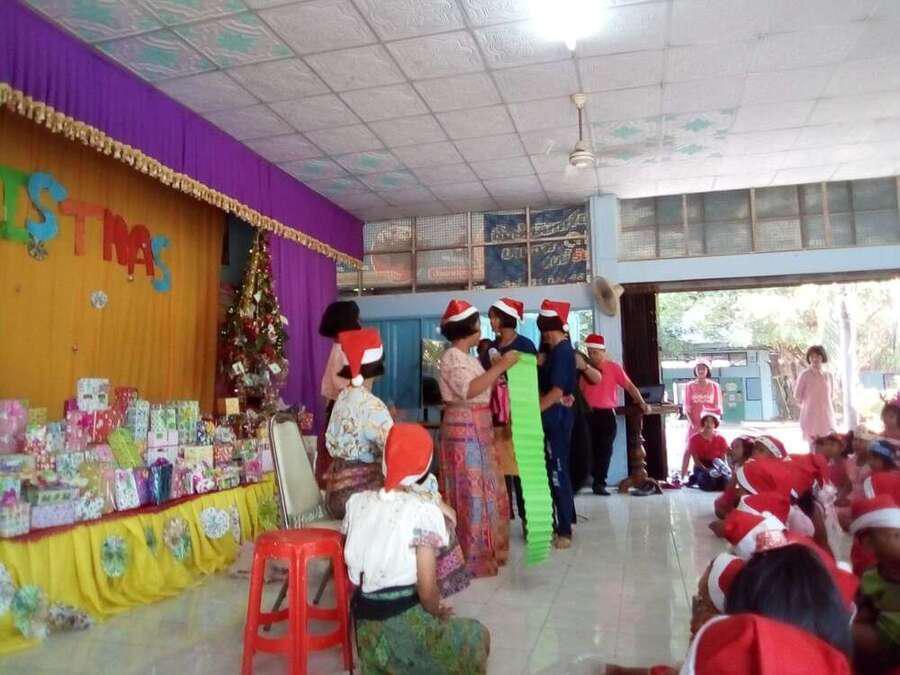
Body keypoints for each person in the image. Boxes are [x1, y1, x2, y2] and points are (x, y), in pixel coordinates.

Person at [343, 423, 490, 674]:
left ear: (384, 461)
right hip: (402, 628)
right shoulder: (423, 513)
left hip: (367, 633)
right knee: (477, 635)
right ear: (425, 468)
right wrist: (437, 612)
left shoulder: (357, 503)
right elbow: (427, 590)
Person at [438, 299, 518, 577]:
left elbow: (482, 387)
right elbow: (468, 390)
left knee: (485, 490)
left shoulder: (469, 358)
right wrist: (499, 367)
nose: (481, 328)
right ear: (467, 328)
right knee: (470, 492)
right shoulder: (451, 357)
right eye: (477, 323)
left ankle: (487, 550)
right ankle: (471, 556)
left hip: (479, 429)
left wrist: (497, 371)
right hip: (464, 431)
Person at [323, 328, 392, 519]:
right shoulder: (372, 406)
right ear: (377, 366)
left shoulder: (342, 398)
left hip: (334, 495)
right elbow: (394, 453)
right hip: (361, 496)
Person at [485, 297, 537, 535]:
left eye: (494, 317)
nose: (491, 322)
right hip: (496, 415)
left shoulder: (525, 345)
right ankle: (503, 517)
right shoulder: (490, 348)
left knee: (521, 469)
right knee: (500, 468)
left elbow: (531, 381)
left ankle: (528, 519)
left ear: (505, 319)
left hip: (520, 414)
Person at [578, 333, 651, 496]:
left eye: (595, 352)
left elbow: (629, 386)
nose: (592, 355)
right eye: (589, 352)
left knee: (605, 450)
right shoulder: (584, 370)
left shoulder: (613, 367)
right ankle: (583, 480)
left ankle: (599, 483)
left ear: (603, 352)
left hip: (606, 415)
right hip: (587, 414)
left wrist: (641, 402)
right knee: (586, 449)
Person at [537, 300, 578, 548]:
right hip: (555, 418)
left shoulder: (562, 352)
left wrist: (533, 412)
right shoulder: (555, 352)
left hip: (557, 419)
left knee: (558, 472)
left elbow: (556, 392)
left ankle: (564, 530)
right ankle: (564, 521)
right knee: (556, 471)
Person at [849, 494, 900, 673]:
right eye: (897, 536)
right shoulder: (871, 575)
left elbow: (883, 639)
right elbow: (865, 605)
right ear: (869, 543)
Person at [316, 300, 362, 487]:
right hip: (344, 411)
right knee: (345, 466)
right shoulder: (343, 350)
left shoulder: (339, 348)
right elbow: (345, 387)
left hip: (337, 409)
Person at [794, 345, 837, 449]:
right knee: (813, 446)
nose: (815, 359)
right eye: (812, 356)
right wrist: (808, 407)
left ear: (823, 357)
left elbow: (831, 396)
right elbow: (797, 396)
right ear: (809, 358)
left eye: (818, 356)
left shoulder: (829, 376)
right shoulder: (804, 375)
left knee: (828, 445)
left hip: (826, 416)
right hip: (810, 417)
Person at [682, 408, 730, 491]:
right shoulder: (694, 438)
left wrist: (720, 470)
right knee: (708, 484)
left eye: (711, 422)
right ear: (703, 422)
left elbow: (723, 458)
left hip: (717, 465)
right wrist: (707, 470)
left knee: (726, 485)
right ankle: (695, 478)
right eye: (707, 421)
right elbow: (696, 460)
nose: (709, 424)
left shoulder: (721, 439)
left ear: (715, 424)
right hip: (701, 466)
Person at [683, 359, 722, 442]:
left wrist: (713, 425)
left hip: (710, 424)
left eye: (703, 368)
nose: (701, 371)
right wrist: (693, 425)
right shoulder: (689, 386)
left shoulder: (715, 386)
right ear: (695, 370)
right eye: (698, 368)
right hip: (695, 425)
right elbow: (687, 408)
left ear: (708, 370)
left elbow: (717, 408)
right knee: (694, 446)